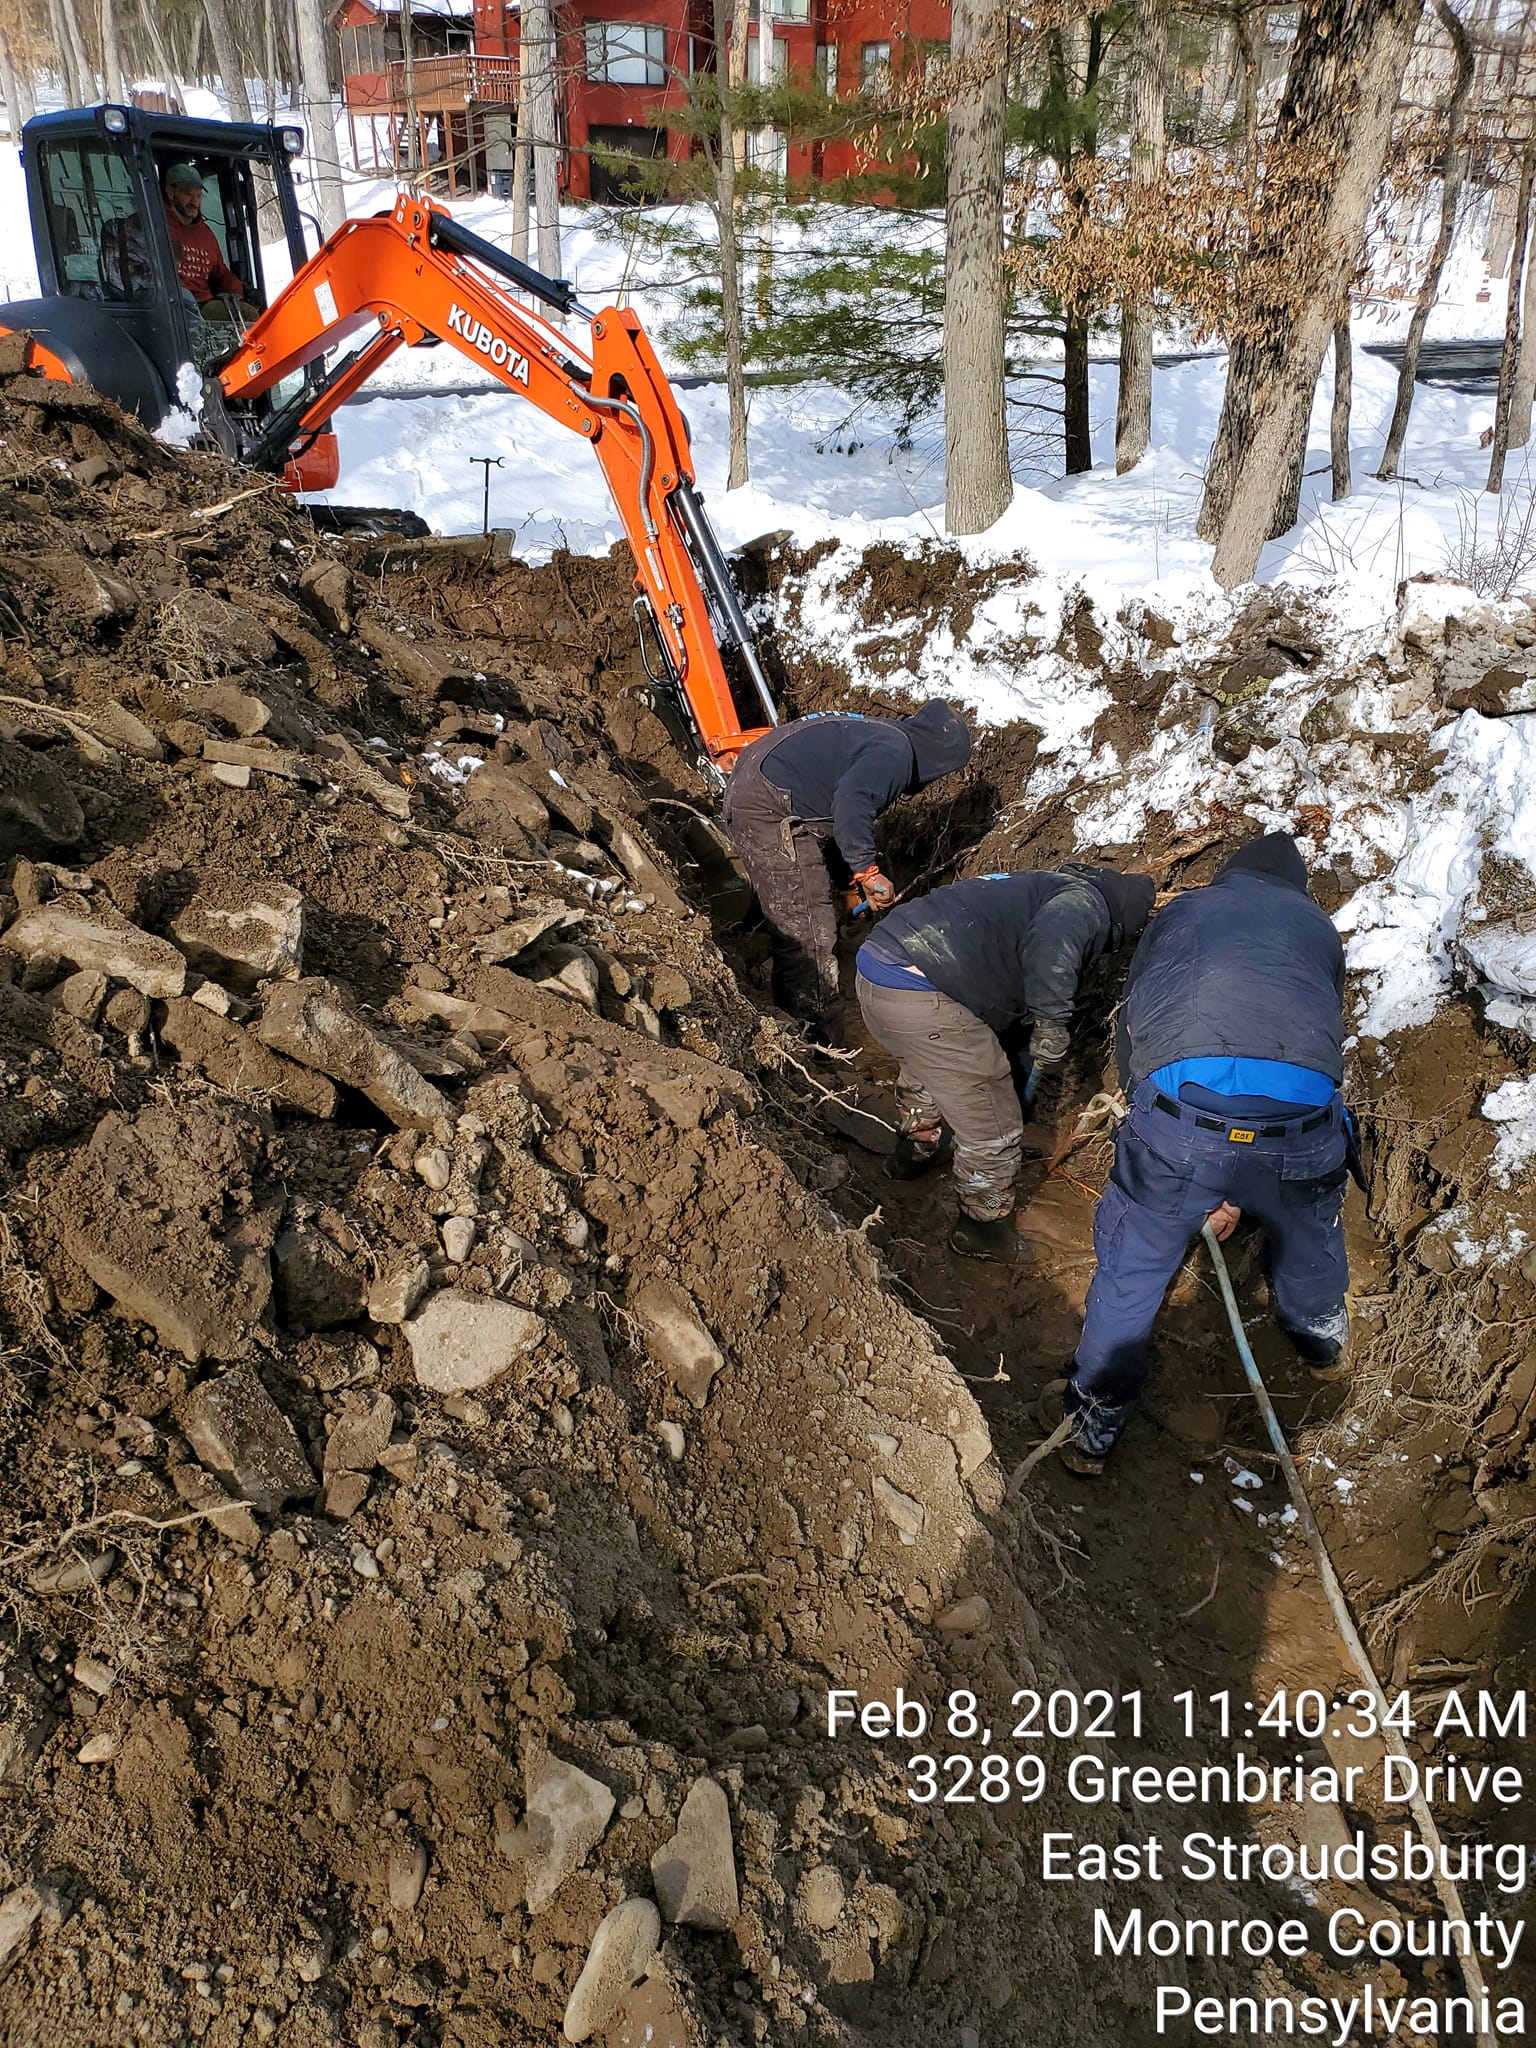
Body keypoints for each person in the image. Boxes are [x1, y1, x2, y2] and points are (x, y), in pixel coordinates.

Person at [1047, 832, 1353, 1476]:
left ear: (1228, 875)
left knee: (1134, 1265)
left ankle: (1095, 1418)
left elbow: (1136, 1019)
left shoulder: (1182, 912)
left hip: (1183, 1120)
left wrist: (1149, 1111)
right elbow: (1318, 1029)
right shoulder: (1321, 929)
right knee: (1310, 1232)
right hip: (1302, 1127)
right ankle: (1319, 1335)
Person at [855, 864, 1155, 1261]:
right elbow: (1052, 948)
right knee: (990, 1116)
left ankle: (915, 1153)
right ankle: (981, 1226)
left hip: (879, 969)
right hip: (921, 991)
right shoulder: (1085, 904)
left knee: (928, 1068)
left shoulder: (1036, 884)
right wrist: (1052, 1023)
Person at [721, 703, 973, 1043]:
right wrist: (867, 872)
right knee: (809, 933)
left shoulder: (878, 733)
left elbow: (833, 812)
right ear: (937, 759)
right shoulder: (895, 753)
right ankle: (819, 1046)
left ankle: (790, 1006)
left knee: (806, 918)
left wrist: (848, 885)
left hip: (760, 787)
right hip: (768, 808)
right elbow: (851, 804)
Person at [161, 163, 249, 313]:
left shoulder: (205, 234)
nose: (194, 201)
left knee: (249, 313)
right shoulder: (156, 226)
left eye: (198, 195)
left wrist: (239, 291)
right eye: (188, 193)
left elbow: (220, 272)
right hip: (173, 308)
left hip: (204, 306)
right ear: (170, 192)